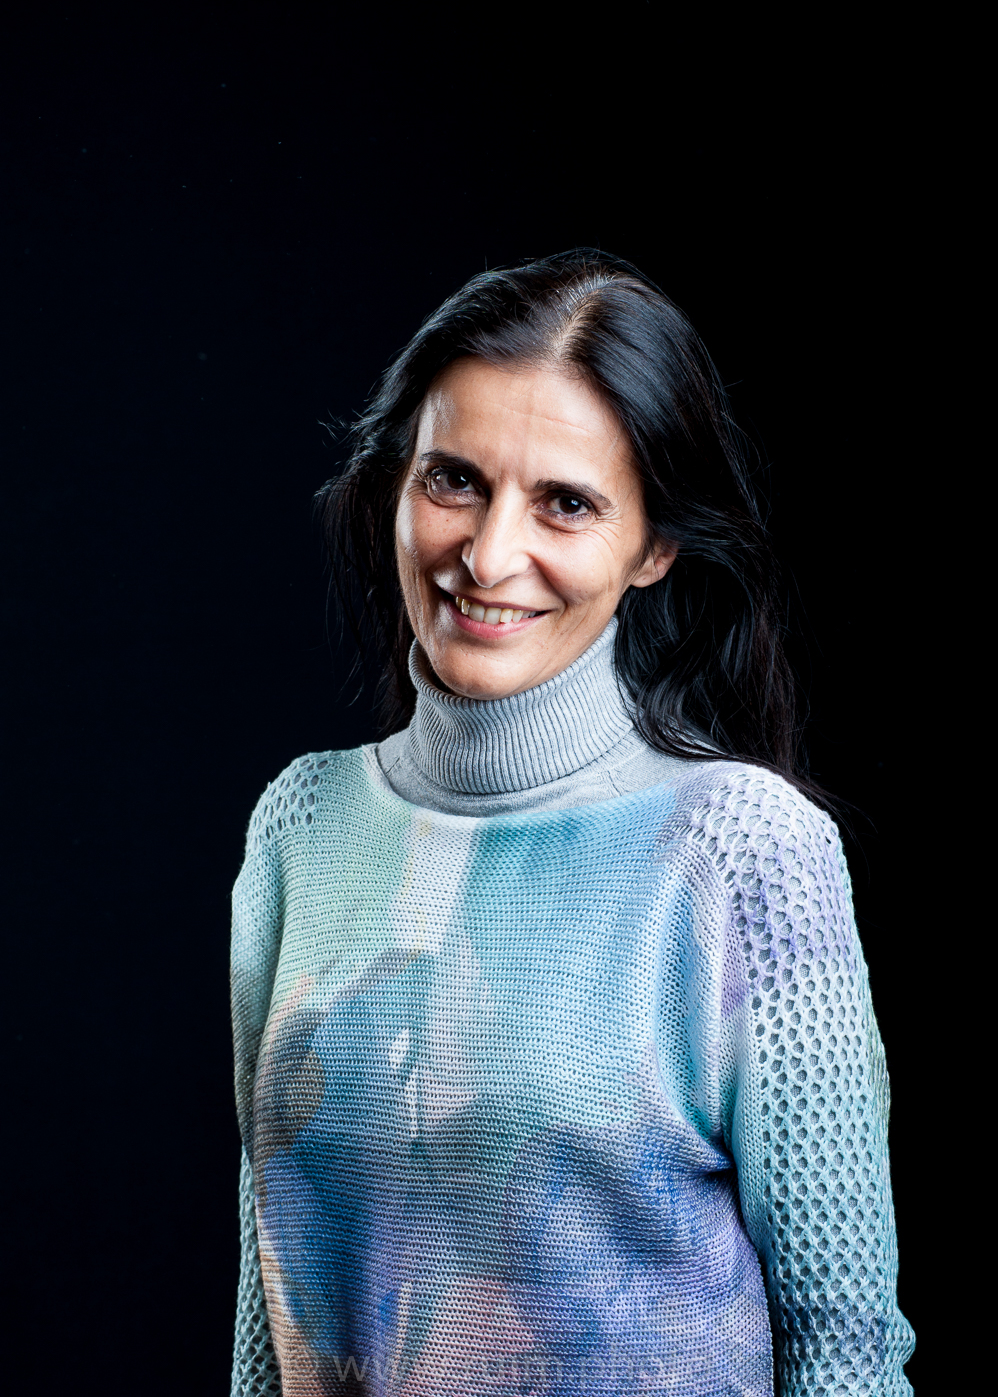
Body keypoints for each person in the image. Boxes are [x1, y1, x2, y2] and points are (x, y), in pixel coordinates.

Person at [229, 251, 914, 1396]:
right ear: (397, 483)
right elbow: (271, 1300)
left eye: (566, 503)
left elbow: (842, 1351)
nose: (489, 555)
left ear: (654, 546)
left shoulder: (741, 852)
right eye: (453, 480)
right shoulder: (302, 827)